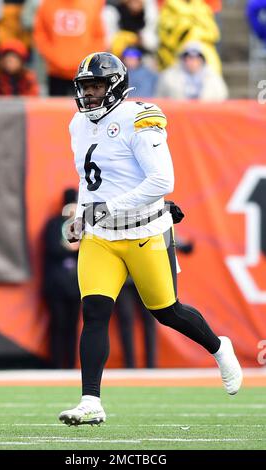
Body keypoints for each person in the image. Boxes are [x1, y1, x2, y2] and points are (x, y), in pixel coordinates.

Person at [58, 52, 242, 426]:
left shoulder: (139, 117)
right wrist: (81, 214)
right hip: (102, 236)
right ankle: (91, 401)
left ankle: (219, 347)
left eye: (95, 87)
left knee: (166, 311)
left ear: (114, 88)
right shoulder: (78, 123)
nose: (89, 96)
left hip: (145, 231)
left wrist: (108, 207)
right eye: (85, 88)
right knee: (94, 312)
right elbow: (87, 177)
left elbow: (162, 182)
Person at [43, 188, 80, 369]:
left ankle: (71, 365)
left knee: (73, 328)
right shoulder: (54, 224)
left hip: (76, 287)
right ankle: (56, 366)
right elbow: (52, 249)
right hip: (56, 286)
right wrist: (70, 249)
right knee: (58, 326)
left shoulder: (82, 225)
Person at [156, 41, 228, 101]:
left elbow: (222, 99)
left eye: (196, 58)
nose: (193, 62)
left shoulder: (213, 78)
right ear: (183, 59)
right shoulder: (169, 77)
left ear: (202, 60)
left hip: (206, 116)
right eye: (189, 58)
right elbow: (159, 99)